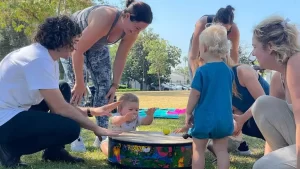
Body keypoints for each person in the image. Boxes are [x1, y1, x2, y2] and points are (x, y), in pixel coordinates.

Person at [0, 15, 122, 168]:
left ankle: (53, 152)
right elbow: (60, 108)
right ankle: (8, 148)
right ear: (63, 39)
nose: (76, 48)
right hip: (4, 120)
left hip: (16, 110)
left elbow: (58, 102)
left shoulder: (48, 57)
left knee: (62, 87)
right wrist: (96, 128)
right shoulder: (38, 59)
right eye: (75, 42)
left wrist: (92, 111)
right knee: (70, 129)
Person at [60, 0, 153, 151]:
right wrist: (79, 82)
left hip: (97, 46)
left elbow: (121, 57)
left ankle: (103, 135)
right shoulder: (105, 16)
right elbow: (77, 49)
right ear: (127, 16)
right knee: (77, 91)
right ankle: (75, 136)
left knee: (106, 87)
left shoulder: (131, 32)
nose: (137, 32)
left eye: (140, 30)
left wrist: (115, 84)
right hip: (73, 42)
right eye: (136, 28)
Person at [179, 24, 235, 169]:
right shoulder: (229, 71)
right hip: (224, 119)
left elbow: (195, 94)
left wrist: (188, 112)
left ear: (204, 48)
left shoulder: (202, 71)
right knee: (222, 150)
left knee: (198, 149)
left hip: (205, 118)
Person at [249, 16, 300, 169]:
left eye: (255, 46)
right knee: (262, 104)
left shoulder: (296, 63)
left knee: (263, 166)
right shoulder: (279, 77)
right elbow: (271, 130)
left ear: (270, 46)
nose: (253, 53)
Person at [188, 5, 240, 81]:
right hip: (201, 43)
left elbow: (234, 54)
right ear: (213, 23)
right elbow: (193, 57)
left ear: (231, 26)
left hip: (220, 46)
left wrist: (233, 76)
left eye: (226, 30)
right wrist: (197, 80)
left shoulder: (234, 31)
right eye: (220, 29)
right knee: (199, 74)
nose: (222, 32)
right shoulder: (202, 24)